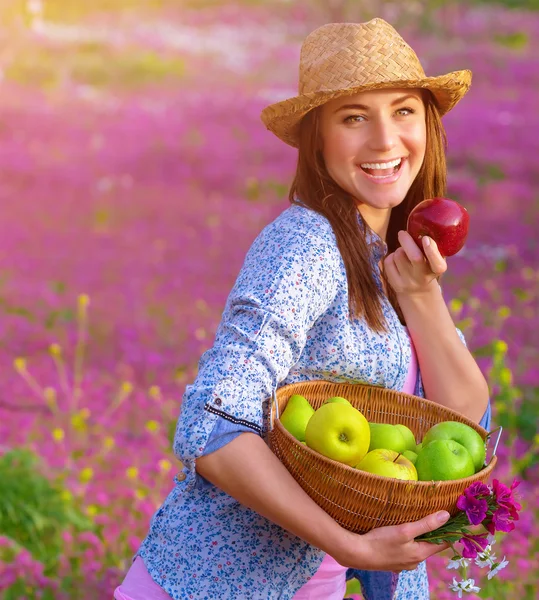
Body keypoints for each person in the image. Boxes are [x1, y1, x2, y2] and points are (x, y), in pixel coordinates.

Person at [114, 17, 491, 600]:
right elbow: (212, 421)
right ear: (317, 140)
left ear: (428, 124)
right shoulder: (308, 245)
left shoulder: (391, 261)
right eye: (354, 117)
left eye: (403, 111)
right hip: (228, 582)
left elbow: (460, 422)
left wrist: (421, 295)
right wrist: (352, 546)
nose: (386, 141)